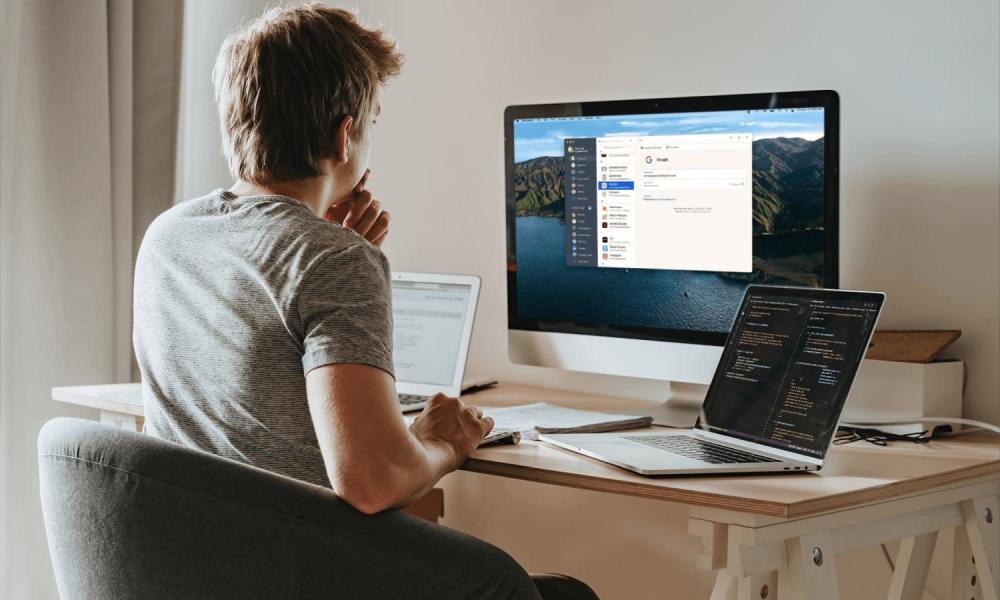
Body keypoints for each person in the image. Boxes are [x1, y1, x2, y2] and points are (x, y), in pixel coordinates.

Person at [132, 4, 598, 599]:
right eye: (374, 119)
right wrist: (442, 441)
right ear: (345, 133)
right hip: (302, 573)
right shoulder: (332, 260)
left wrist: (329, 244)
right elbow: (371, 481)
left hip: (198, 570)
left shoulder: (169, 234)